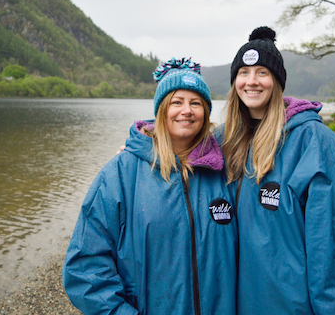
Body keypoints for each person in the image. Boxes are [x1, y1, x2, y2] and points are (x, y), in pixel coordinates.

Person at [63, 58, 237, 315]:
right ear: (161, 110)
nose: (186, 110)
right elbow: (84, 267)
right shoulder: (122, 173)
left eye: (196, 103)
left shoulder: (226, 169)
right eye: (176, 102)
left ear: (206, 112)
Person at [220, 26, 335, 315]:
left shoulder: (312, 141)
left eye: (262, 72)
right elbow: (179, 138)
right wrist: (144, 141)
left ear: (277, 81)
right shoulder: (224, 141)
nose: (252, 81)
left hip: (291, 304)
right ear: (234, 81)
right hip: (236, 301)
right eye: (244, 73)